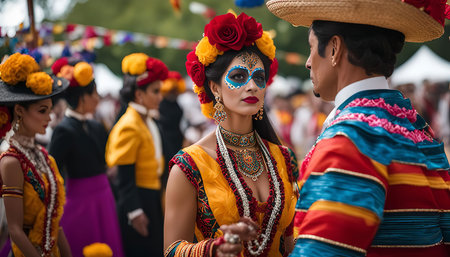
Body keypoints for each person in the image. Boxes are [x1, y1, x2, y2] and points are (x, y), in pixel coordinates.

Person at [267, 0, 450, 256]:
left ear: (334, 49)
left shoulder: (351, 137)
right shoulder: (415, 127)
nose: (308, 62)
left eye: (311, 48)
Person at [164, 12, 299, 257]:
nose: (252, 86)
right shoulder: (190, 166)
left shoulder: (285, 158)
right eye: (238, 77)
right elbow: (171, 251)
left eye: (259, 78)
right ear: (215, 87)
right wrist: (213, 250)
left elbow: (290, 242)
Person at [48, 57, 124, 257]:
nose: (98, 98)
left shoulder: (96, 126)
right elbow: (53, 170)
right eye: (94, 94)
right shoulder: (63, 130)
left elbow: (107, 158)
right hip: (79, 199)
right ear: (82, 97)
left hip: (103, 195)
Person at [0, 53, 72, 257]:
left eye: (49, 111)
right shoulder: (11, 161)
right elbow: (14, 230)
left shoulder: (45, 157)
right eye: (42, 111)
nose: (49, 118)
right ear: (20, 111)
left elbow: (54, 222)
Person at [105, 53, 168, 257]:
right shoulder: (129, 125)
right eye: (155, 91)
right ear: (139, 95)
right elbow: (124, 177)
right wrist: (135, 211)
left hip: (151, 196)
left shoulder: (146, 119)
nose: (160, 97)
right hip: (138, 200)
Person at [159, 71, 186, 189]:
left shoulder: (176, 103)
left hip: (177, 139)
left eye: (176, 91)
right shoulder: (161, 104)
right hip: (165, 140)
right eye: (172, 91)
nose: (174, 94)